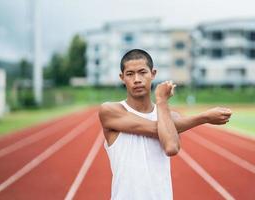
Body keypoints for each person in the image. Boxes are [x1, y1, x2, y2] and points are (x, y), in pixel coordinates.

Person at [98, 49, 232, 200]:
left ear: (153, 73)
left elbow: (171, 147)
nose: (137, 79)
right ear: (122, 78)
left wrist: (161, 103)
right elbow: (155, 128)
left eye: (142, 72)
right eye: (130, 74)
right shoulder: (110, 110)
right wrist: (204, 117)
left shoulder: (170, 117)